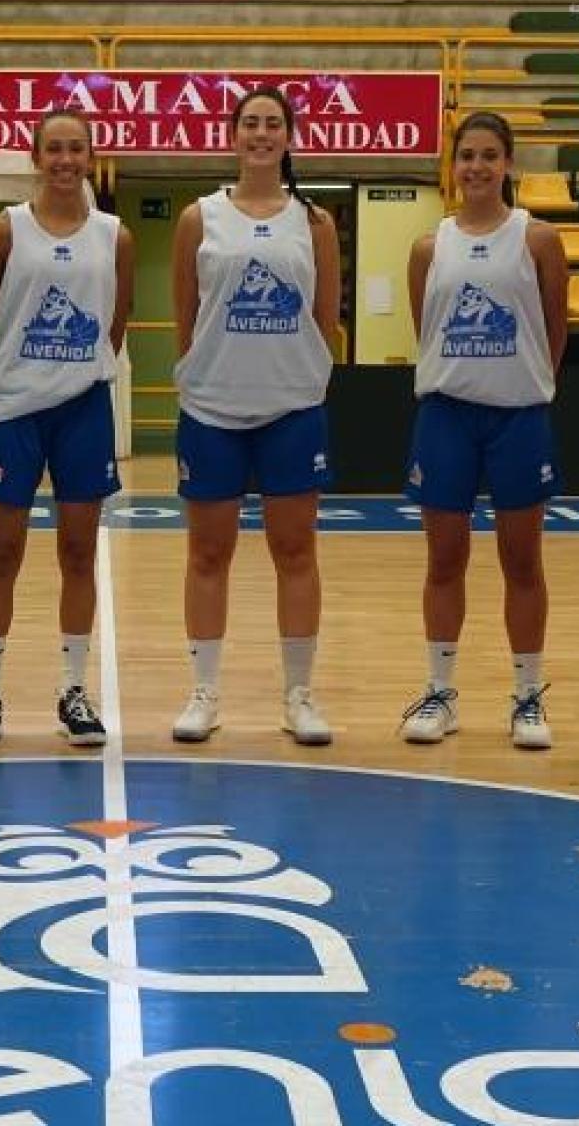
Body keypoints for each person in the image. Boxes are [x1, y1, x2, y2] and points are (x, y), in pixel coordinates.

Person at [168, 86, 341, 746]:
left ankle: (298, 694)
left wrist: (300, 373)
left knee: (295, 551)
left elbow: (326, 318)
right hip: (213, 406)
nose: (261, 133)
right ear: (233, 135)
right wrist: (206, 373)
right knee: (207, 552)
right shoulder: (199, 217)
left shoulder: (315, 222)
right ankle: (204, 692)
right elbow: (187, 317)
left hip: (292, 406)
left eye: (273, 123)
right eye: (251, 123)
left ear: (290, 137)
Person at [0, 111, 134, 750]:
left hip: (83, 408)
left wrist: (75, 371)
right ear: (36, 157)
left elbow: (116, 322)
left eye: (75, 148)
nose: (64, 159)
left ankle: (72, 689)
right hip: (14, 410)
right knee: (1, 552)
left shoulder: (115, 236)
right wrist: (18, 375)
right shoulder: (7, 230)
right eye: (53, 148)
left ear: (91, 156)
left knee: (78, 552)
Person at [398, 112, 569, 749]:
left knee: (521, 561)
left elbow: (555, 327)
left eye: (489, 155)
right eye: (466, 155)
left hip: (518, 417)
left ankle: (528, 696)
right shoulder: (427, 247)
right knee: (445, 560)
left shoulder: (537, 240)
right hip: (446, 415)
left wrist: (524, 383)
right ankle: (440, 693)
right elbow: (428, 328)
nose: (476, 166)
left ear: (508, 165)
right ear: (454, 165)